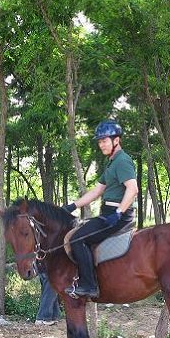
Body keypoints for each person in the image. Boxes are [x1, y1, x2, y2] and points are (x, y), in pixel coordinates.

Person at [62, 120, 138, 299]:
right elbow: (97, 191)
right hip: (108, 214)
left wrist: (119, 213)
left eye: (104, 140)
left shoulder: (122, 161)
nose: (101, 144)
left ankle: (89, 286)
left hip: (118, 215)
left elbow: (132, 189)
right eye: (99, 141)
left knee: (77, 239)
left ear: (116, 140)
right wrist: (72, 206)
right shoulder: (111, 163)